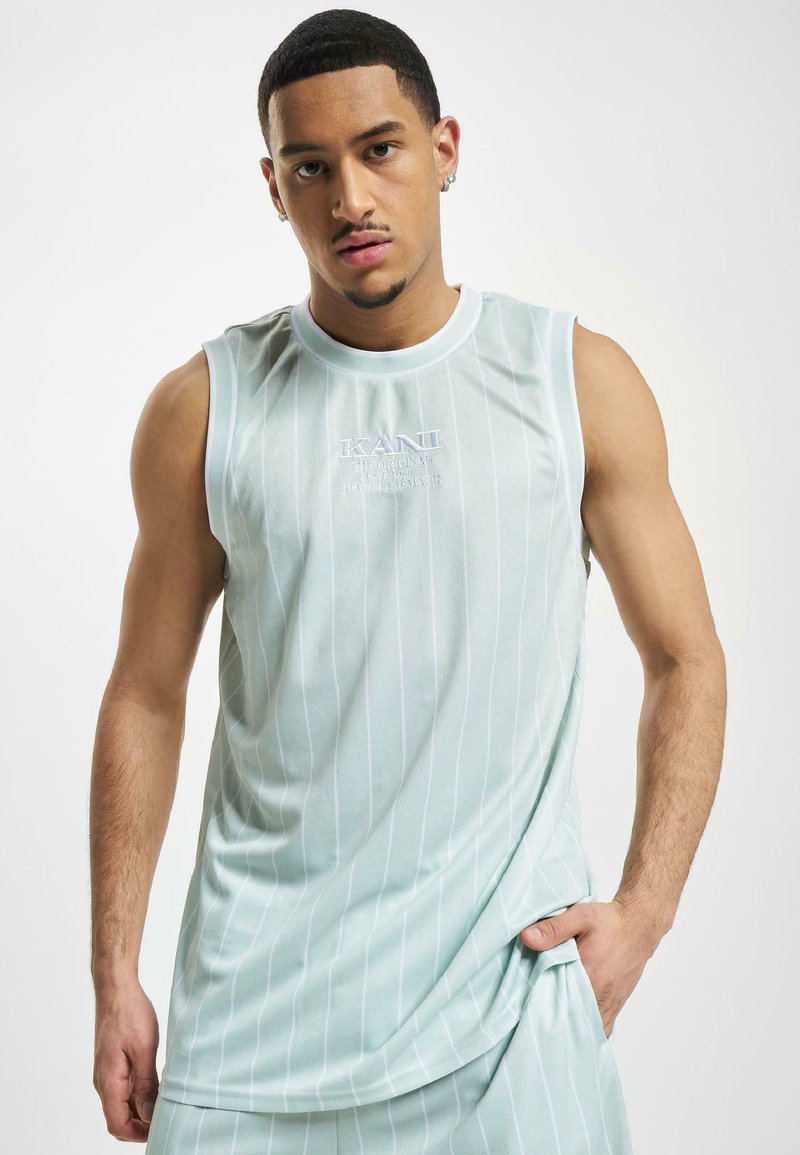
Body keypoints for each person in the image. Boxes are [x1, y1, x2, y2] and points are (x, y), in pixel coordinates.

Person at [89, 8, 727, 1152]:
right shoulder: (205, 410)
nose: (349, 199)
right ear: (273, 187)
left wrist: (644, 912)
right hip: (251, 1035)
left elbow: (683, 657)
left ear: (442, 150)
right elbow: (144, 692)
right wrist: (113, 974)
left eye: (379, 150)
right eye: (308, 167)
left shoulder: (571, 382)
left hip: (505, 1026)